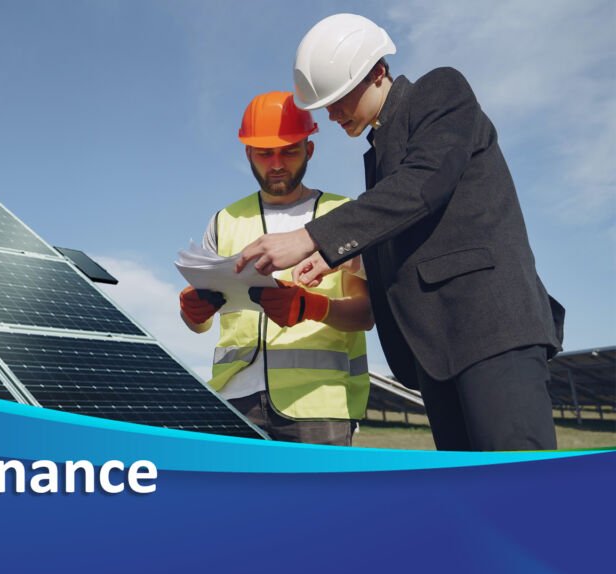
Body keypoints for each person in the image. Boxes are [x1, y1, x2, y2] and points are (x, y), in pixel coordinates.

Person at [235, 13, 563, 451]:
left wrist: (311, 237)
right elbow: (415, 229)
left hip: (490, 331)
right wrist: (347, 258)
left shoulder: (441, 90)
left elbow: (423, 184)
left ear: (377, 72)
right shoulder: (380, 148)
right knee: (472, 489)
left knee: (520, 485)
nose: (330, 114)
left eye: (338, 98)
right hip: (438, 350)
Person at [180, 91, 374, 446]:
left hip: (318, 402)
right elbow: (200, 324)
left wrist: (314, 307)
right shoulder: (224, 221)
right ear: (248, 154)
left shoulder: (342, 215)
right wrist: (193, 314)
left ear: (309, 150)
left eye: (289, 151)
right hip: (234, 399)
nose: (277, 163)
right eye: (265, 153)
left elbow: (367, 314)